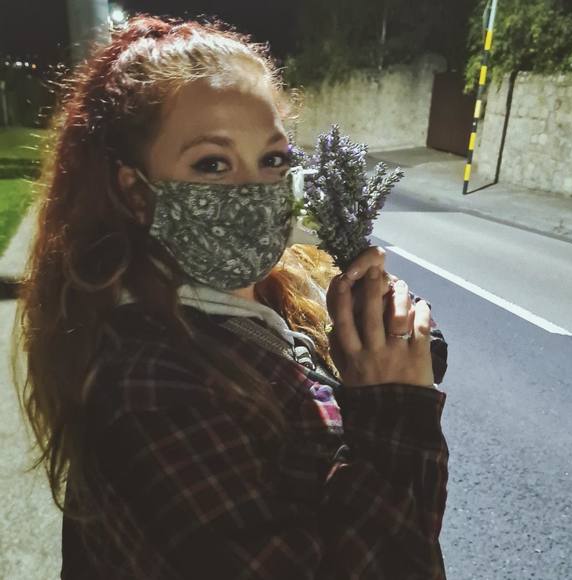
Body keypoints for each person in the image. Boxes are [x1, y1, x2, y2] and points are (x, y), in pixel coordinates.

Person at [12, 15, 449, 580]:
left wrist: (385, 333)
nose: (254, 192)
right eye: (212, 164)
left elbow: (407, 364)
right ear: (135, 190)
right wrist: (396, 407)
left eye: (272, 160)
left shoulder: (277, 295)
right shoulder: (151, 392)